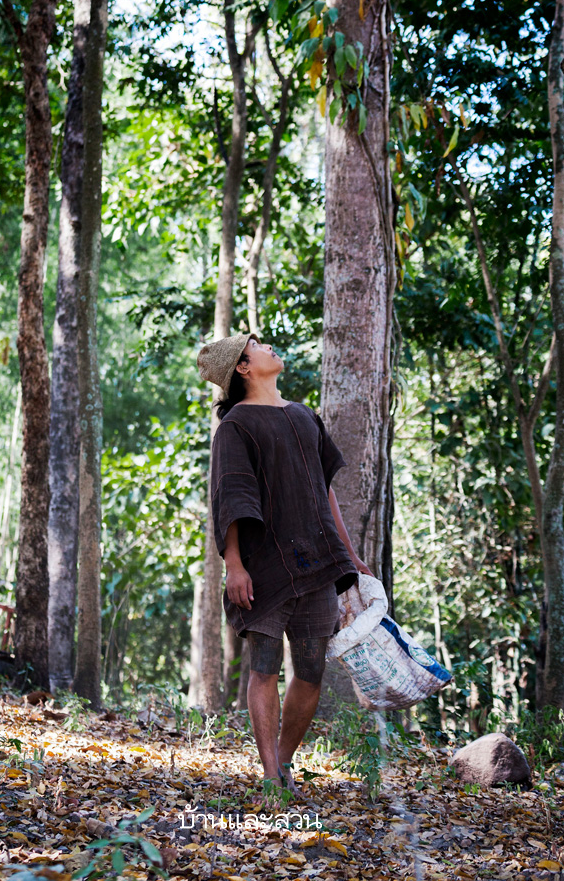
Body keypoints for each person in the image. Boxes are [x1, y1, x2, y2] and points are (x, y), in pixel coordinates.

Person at [197, 333, 374, 797]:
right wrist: (234, 564)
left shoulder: (304, 417)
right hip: (264, 567)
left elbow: (325, 490)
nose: (269, 347)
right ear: (242, 367)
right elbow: (229, 495)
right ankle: (270, 772)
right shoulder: (236, 425)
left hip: (317, 561)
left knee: (312, 667)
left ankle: (286, 759)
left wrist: (350, 554)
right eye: (256, 345)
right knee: (266, 665)